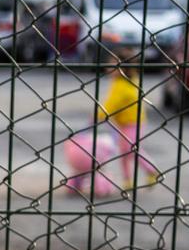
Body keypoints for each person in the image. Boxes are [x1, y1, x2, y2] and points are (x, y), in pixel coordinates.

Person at [64, 51, 159, 195]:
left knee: (131, 150)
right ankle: (127, 180)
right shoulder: (124, 81)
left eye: (112, 65)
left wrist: (98, 115)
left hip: (133, 123)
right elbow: (111, 104)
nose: (108, 68)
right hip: (123, 122)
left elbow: (111, 105)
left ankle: (152, 171)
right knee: (123, 152)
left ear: (122, 68)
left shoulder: (122, 85)